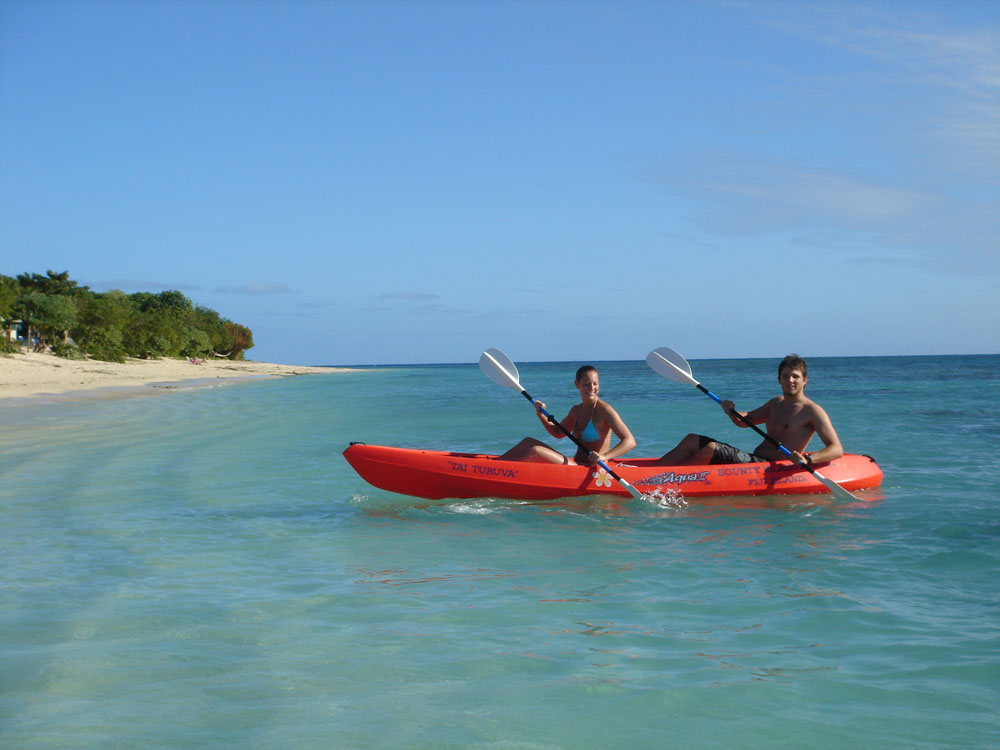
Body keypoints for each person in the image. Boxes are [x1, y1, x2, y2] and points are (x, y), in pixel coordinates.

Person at [655, 354, 843, 467]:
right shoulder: (775, 403)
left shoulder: (813, 411)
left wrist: (808, 459)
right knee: (692, 440)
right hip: (753, 461)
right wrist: (731, 411)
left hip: (770, 467)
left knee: (710, 448)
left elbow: (836, 449)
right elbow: (744, 421)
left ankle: (669, 480)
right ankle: (652, 474)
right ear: (779, 380)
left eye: (795, 376)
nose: (790, 380)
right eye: (785, 376)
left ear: (805, 380)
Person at [499, 365, 636, 465]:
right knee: (527, 441)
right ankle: (495, 466)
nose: (592, 388)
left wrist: (604, 456)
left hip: (593, 469)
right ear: (577, 385)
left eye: (595, 384)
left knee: (536, 451)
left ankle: (499, 471)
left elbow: (629, 441)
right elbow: (558, 432)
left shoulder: (605, 410)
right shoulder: (576, 410)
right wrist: (540, 414)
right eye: (587, 384)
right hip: (576, 464)